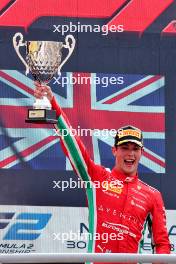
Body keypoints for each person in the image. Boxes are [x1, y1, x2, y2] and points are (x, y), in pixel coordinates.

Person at [34, 82, 170, 263]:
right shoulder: (97, 178)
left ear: (141, 153)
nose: (130, 154)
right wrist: (52, 103)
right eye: (124, 147)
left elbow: (162, 243)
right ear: (114, 151)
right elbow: (74, 147)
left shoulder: (153, 195)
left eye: (135, 149)